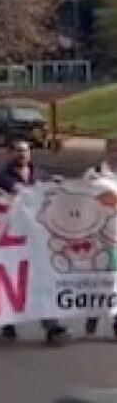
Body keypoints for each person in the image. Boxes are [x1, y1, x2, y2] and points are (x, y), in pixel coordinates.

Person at [0, 140, 69, 345]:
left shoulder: (40, 175)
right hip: (13, 239)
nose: (22, 154)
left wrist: (58, 185)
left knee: (42, 280)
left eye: (25, 150)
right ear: (9, 153)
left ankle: (51, 325)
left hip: (37, 239)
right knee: (13, 281)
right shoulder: (1, 178)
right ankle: (7, 320)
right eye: (18, 151)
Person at [83, 138, 117, 338]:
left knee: (113, 279)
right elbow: (80, 197)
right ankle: (94, 313)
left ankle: (112, 318)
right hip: (100, 235)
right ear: (107, 151)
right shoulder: (94, 173)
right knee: (101, 279)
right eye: (113, 150)